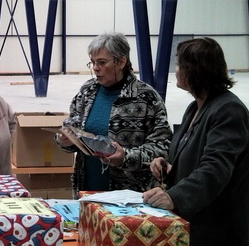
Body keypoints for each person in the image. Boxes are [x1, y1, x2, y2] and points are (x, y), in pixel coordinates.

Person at [143, 37, 249, 246]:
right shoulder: (194, 108)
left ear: (195, 71)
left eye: (179, 65)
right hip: (196, 231)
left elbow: (215, 169)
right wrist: (167, 165)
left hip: (221, 239)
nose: (175, 70)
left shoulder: (228, 111)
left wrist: (174, 196)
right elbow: (192, 158)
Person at [55, 32, 172, 196]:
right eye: (93, 62)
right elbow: (73, 127)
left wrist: (125, 157)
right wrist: (66, 140)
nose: (96, 68)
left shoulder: (146, 98)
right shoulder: (87, 92)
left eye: (102, 62)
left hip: (128, 197)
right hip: (88, 189)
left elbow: (162, 148)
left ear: (121, 61)